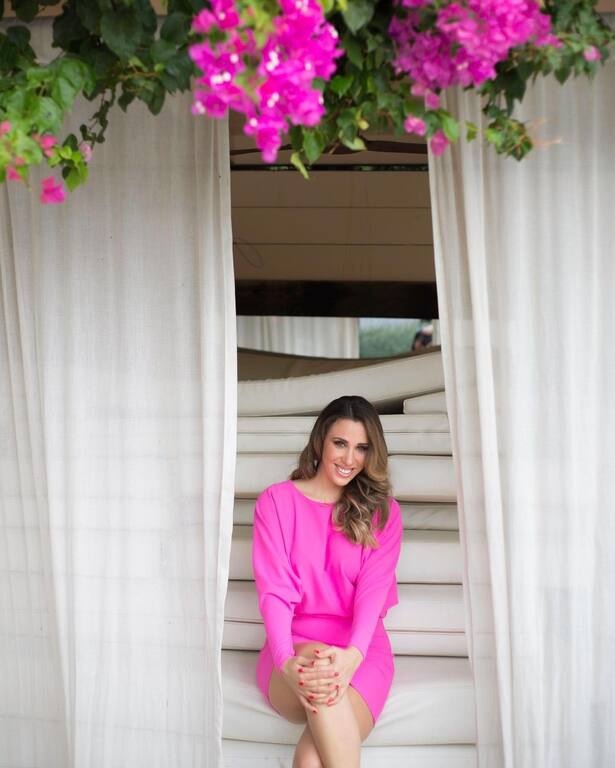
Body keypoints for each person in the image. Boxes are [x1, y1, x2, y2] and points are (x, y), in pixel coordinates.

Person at [252, 395, 403, 768]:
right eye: (340, 443)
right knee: (321, 669)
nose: (350, 458)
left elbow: (371, 594)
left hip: (362, 651)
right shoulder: (276, 502)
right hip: (292, 647)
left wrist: (352, 657)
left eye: (362, 448)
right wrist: (285, 660)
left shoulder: (383, 513)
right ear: (321, 440)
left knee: (310, 760)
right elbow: (275, 592)